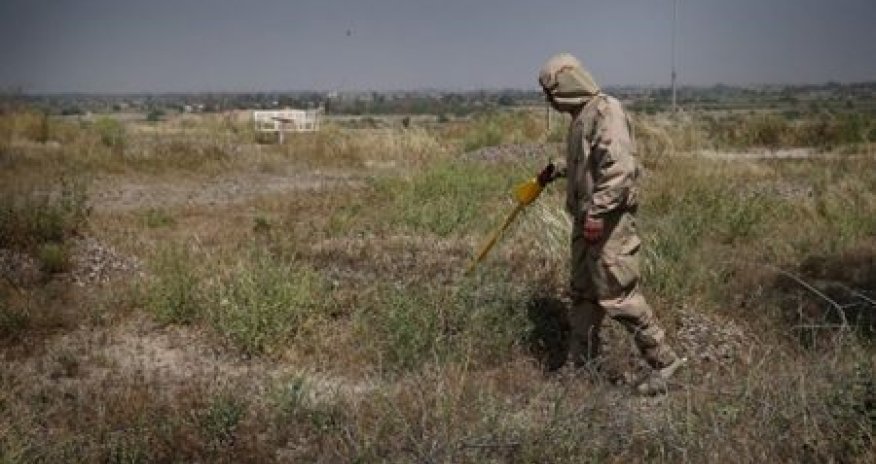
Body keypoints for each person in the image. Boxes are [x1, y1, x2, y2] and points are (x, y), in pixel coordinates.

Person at [535, 53, 685, 395]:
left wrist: (598, 213)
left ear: (568, 85)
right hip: (588, 222)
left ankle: (664, 361)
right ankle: (580, 366)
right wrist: (559, 169)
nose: (549, 99)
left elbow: (618, 171)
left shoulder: (606, 111)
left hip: (607, 224)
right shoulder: (581, 116)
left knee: (618, 295)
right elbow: (589, 161)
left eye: (551, 90)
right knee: (583, 295)